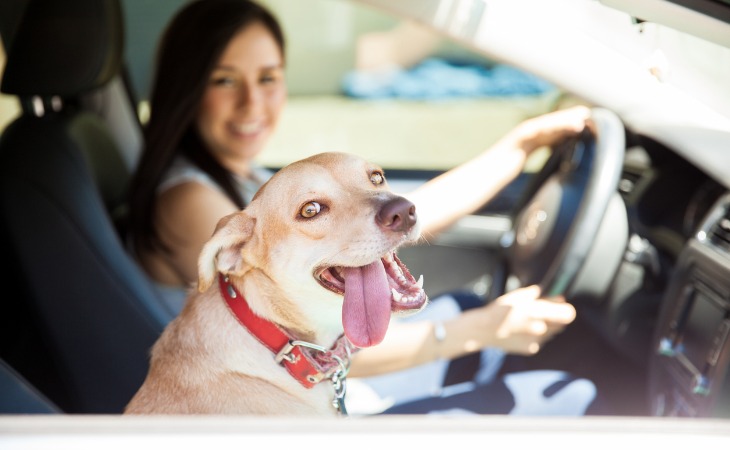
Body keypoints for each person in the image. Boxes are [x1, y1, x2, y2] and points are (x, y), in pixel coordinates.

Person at [126, 0, 596, 415]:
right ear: (187, 87)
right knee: (563, 394)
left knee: (480, 311)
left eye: (268, 77)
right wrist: (482, 330)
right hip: (292, 383)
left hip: (317, 374)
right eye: (224, 80)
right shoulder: (191, 200)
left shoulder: (246, 176)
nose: (253, 102)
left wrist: (519, 146)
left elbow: (393, 214)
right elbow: (325, 348)